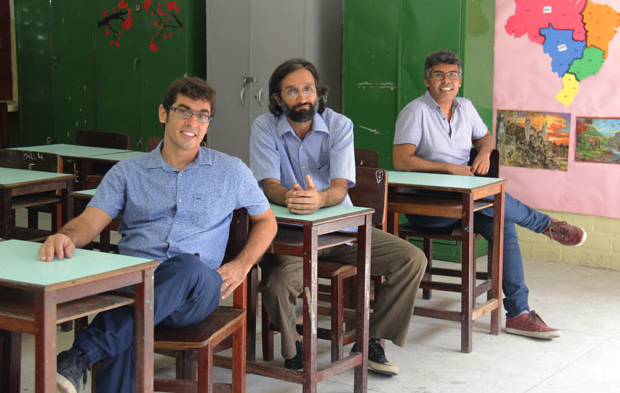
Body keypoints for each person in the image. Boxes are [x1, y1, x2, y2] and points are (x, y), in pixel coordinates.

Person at [38, 77, 278, 393]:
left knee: (185, 266)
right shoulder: (127, 173)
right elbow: (89, 222)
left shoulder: (231, 171)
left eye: (202, 115)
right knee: (133, 317)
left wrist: (243, 264)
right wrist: (65, 236)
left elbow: (267, 222)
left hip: (197, 290)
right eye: (183, 111)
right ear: (163, 114)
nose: (193, 122)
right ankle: (85, 354)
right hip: (135, 286)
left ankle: (81, 353)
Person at [249, 58, 427, 376]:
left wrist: (317, 199)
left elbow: (339, 187)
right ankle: (293, 350)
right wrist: (289, 196)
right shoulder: (264, 126)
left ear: (319, 93)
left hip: (341, 232)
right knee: (276, 286)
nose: (302, 97)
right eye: (291, 91)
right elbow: (269, 184)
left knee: (412, 259)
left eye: (308, 89)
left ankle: (369, 340)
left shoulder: (339, 125)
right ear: (277, 98)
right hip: (291, 236)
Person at [393, 50, 587, 340]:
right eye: (439, 75)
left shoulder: (466, 107)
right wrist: (449, 169)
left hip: (466, 202)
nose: (446, 80)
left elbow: (485, 137)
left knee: (502, 222)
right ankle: (544, 224)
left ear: (459, 81)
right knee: (495, 206)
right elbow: (402, 161)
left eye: (452, 75)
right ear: (427, 80)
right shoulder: (414, 112)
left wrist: (484, 150)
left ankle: (518, 314)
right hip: (428, 206)